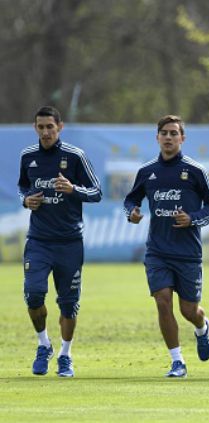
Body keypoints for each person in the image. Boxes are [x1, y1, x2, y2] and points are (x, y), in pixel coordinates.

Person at [124, 115, 209, 378]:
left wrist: (193, 219)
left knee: (189, 310)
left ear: (182, 138)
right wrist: (132, 213)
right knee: (163, 302)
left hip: (188, 253)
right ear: (157, 137)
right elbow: (130, 201)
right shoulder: (146, 172)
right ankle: (177, 361)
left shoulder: (195, 171)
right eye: (164, 133)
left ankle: (202, 327)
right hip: (157, 251)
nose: (168, 137)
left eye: (174, 133)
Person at [18, 106, 102, 378]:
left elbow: (97, 192)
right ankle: (44, 345)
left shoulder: (74, 156)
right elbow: (22, 185)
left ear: (60, 127)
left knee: (68, 304)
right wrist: (26, 199)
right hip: (39, 241)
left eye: (49, 127)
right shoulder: (28, 156)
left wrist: (73, 189)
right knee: (33, 295)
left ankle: (65, 355)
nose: (45, 132)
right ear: (35, 128)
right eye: (40, 127)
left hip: (69, 243)